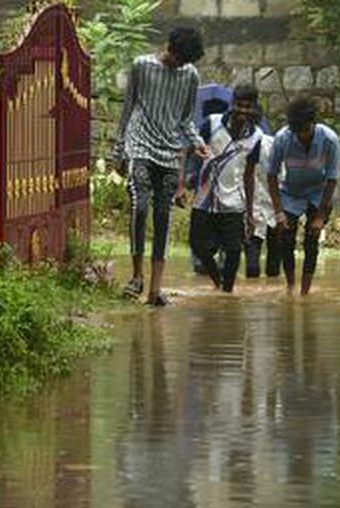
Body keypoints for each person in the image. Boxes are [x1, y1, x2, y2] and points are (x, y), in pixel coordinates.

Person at [113, 26, 210, 307]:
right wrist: (118, 152)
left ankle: (155, 290)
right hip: (140, 144)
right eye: (178, 58)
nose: (180, 65)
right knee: (140, 206)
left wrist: (197, 142)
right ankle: (136, 277)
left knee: (163, 217)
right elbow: (128, 108)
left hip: (169, 151)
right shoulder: (141, 66)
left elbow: (184, 119)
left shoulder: (190, 75)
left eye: (185, 62)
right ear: (169, 47)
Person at [189, 84, 264, 294]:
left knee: (233, 252)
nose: (243, 111)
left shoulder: (256, 137)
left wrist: (250, 213)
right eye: (239, 105)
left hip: (234, 202)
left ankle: (226, 293)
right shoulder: (212, 123)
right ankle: (217, 281)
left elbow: (250, 175)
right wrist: (182, 185)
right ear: (232, 104)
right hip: (204, 199)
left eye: (248, 107)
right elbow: (189, 149)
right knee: (197, 245)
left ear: (253, 108)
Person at [266, 97, 340, 295]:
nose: (301, 136)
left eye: (305, 131)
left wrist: (320, 217)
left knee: (311, 240)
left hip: (319, 193)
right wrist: (279, 212)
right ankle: (290, 287)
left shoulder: (329, 139)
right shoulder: (282, 138)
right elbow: (271, 175)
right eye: (297, 132)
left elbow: (332, 178)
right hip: (291, 192)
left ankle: (305, 292)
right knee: (286, 238)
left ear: (312, 124)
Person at [179, 97, 230, 275]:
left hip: (209, 192)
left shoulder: (206, 130)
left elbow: (192, 162)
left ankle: (203, 261)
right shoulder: (216, 132)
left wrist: (189, 181)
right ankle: (212, 261)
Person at [244, 113, 278, 279]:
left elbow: (281, 176)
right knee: (253, 267)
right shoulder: (235, 145)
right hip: (250, 208)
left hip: (272, 206)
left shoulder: (271, 144)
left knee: (272, 267)